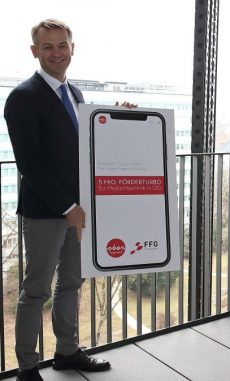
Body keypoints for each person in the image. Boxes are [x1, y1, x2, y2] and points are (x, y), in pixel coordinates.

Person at [3, 19, 118, 381]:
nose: (57, 53)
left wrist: (120, 113)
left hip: (79, 210)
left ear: (72, 48)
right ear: (35, 51)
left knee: (71, 282)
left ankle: (67, 352)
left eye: (62, 45)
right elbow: (30, 164)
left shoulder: (76, 94)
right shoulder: (22, 97)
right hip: (46, 212)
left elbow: (83, 146)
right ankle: (26, 367)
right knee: (35, 290)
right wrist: (67, 208)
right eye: (48, 47)